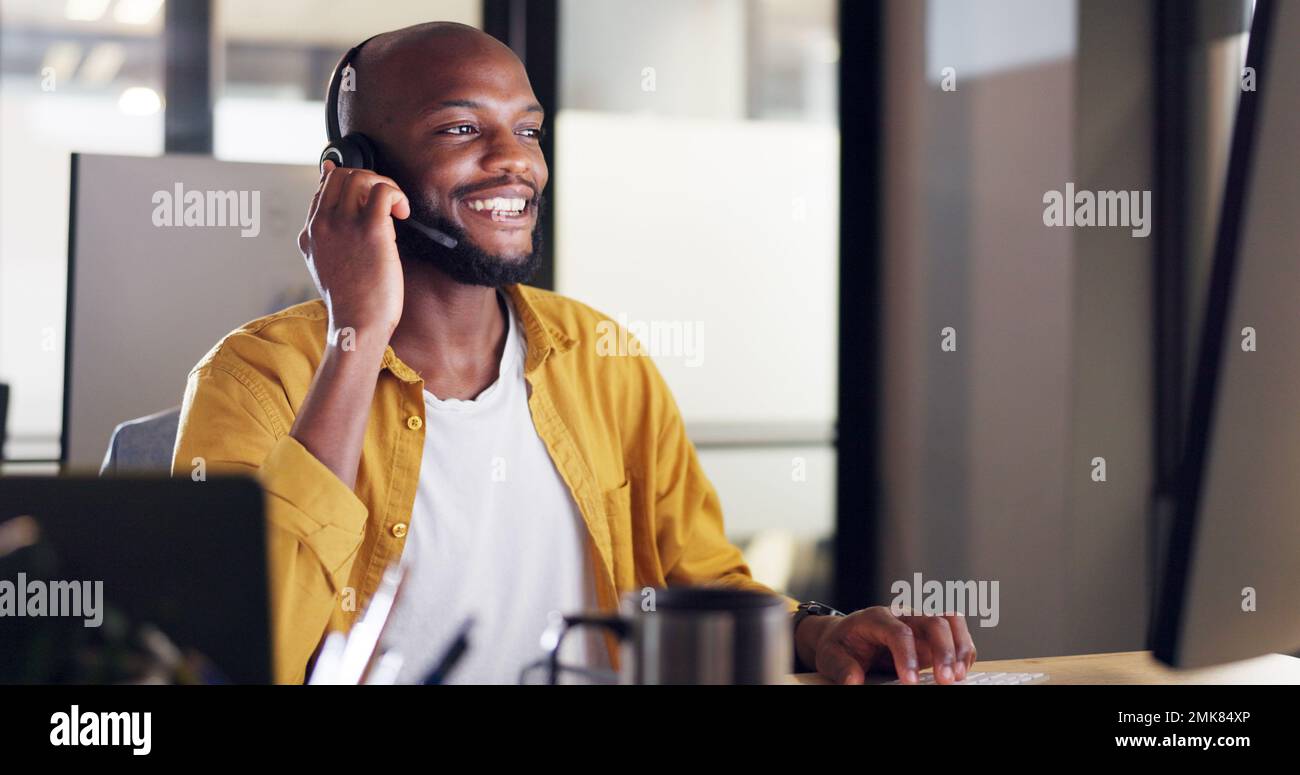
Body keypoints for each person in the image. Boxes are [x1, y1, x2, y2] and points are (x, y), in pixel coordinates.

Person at [172, 21, 976, 685]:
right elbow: (232, 659)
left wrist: (820, 633)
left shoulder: (602, 357)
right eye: (461, 128)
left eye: (526, 129)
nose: (516, 160)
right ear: (355, 172)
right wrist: (357, 332)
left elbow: (700, 582)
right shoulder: (254, 381)